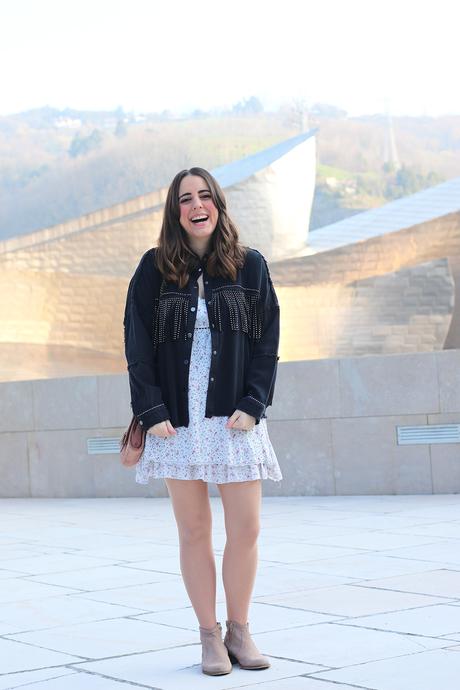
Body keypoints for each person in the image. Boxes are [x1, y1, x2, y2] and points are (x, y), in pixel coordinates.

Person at [123, 167, 282, 676]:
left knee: (247, 528)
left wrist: (255, 402)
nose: (197, 205)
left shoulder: (249, 266)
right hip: (176, 421)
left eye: (205, 196)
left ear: (218, 205)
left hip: (234, 416)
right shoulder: (153, 269)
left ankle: (240, 630)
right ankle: (209, 636)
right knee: (194, 531)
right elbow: (137, 345)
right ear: (175, 210)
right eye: (186, 198)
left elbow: (267, 342)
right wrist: (151, 413)